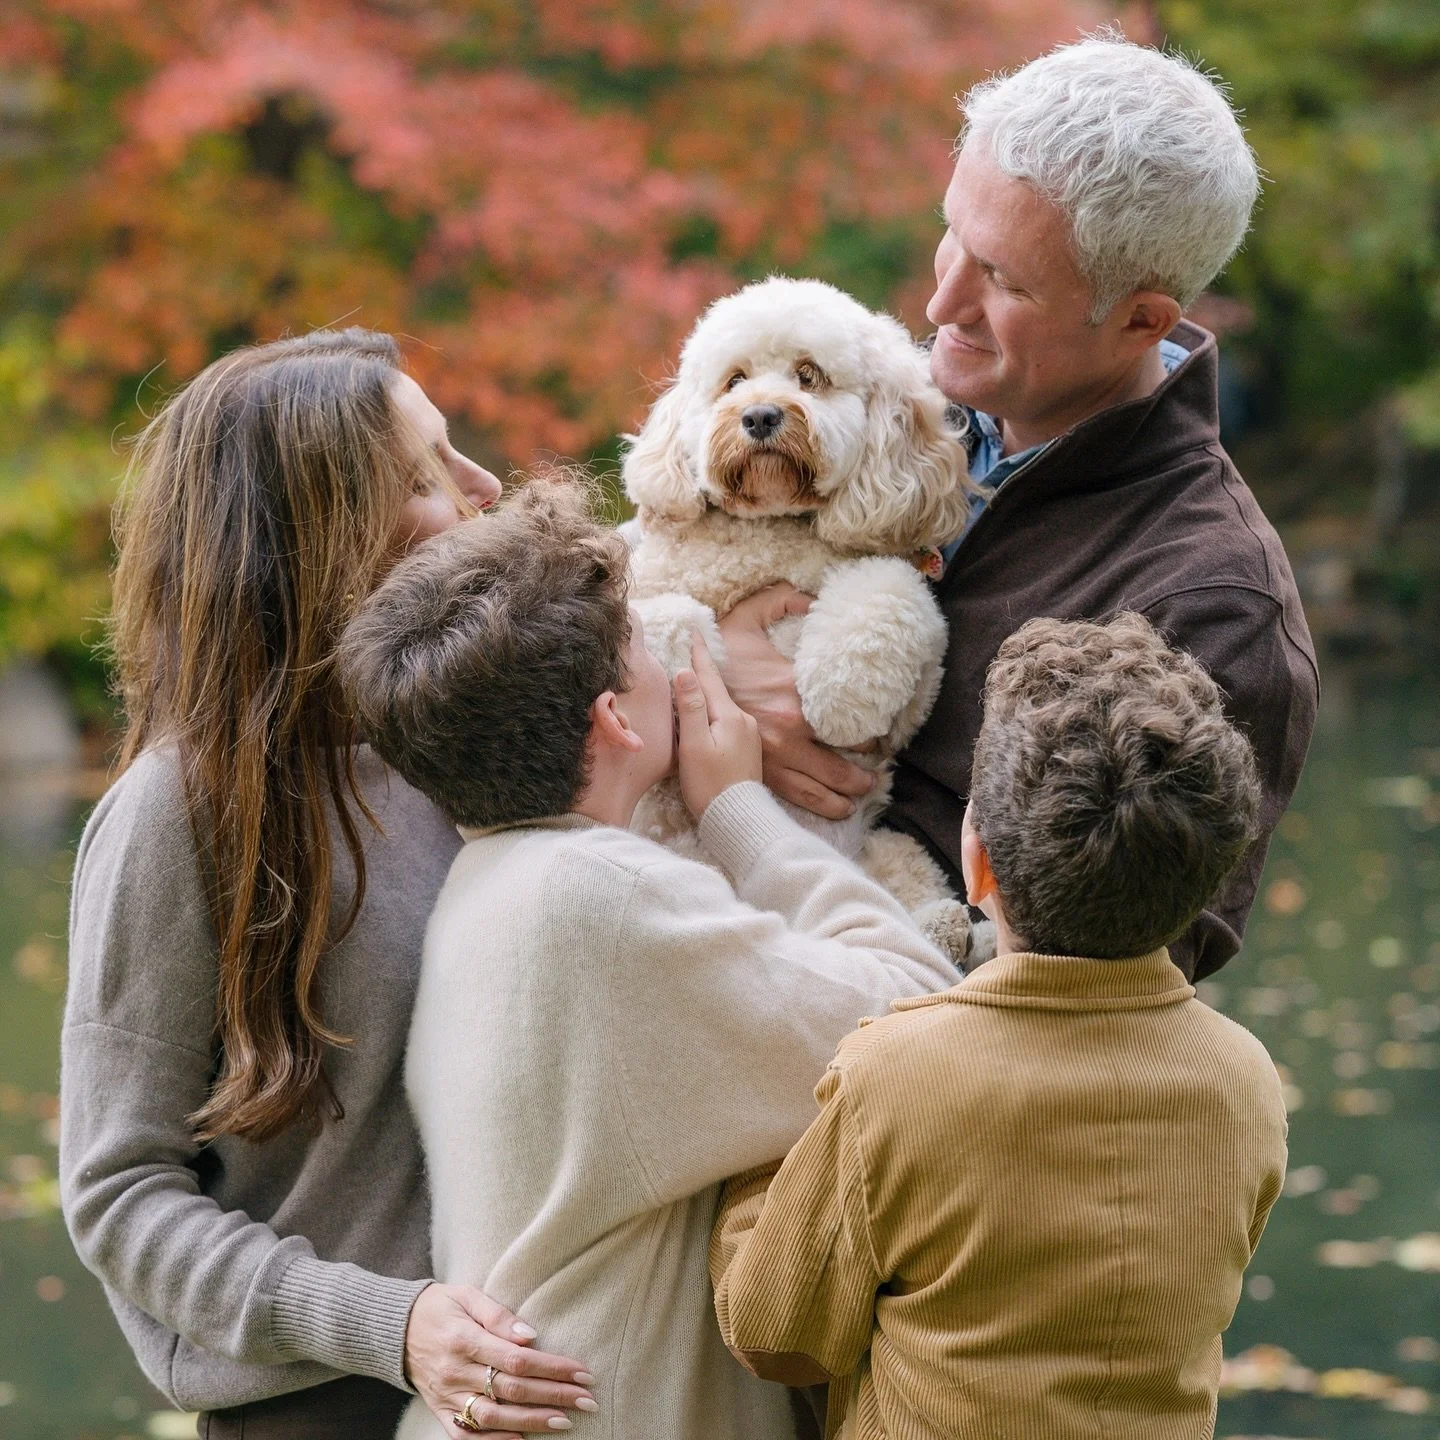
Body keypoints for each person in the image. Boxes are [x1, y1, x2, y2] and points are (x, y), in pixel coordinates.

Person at [60, 329, 600, 1440]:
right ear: (319, 538)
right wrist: (388, 1326)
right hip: (326, 1408)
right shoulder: (180, 811)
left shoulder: (474, 743)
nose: (485, 486)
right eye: (425, 476)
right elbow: (119, 1196)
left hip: (554, 1389)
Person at [334, 483, 961, 1440]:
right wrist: (736, 810)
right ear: (617, 721)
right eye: (649, 649)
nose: (676, 663)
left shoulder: (486, 884)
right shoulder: (602, 899)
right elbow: (922, 1021)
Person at [717, 34, 1319, 982]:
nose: (942, 297)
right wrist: (720, 674)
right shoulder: (872, 405)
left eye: (1003, 278)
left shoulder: (1215, 607)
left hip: (889, 1059)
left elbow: (1103, 986)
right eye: (954, 231)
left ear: (1141, 321)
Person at [710, 612, 1290, 1440]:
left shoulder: (895, 1075)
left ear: (975, 860)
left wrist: (754, 1173)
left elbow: (775, 1335)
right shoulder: (1245, 1080)